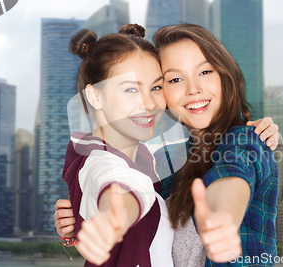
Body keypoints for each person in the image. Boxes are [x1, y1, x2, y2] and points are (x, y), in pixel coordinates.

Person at [57, 24, 279, 267]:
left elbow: (232, 177)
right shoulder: (164, 161)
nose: (193, 89)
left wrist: (223, 217)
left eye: (205, 72)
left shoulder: (245, 141)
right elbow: (134, 220)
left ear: (225, 75)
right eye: (174, 79)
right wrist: (82, 224)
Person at [63, 24, 174, 267]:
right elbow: (115, 184)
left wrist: (246, 133)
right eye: (131, 89)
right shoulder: (98, 161)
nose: (149, 103)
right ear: (95, 96)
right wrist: (113, 217)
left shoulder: (146, 159)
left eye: (156, 87)